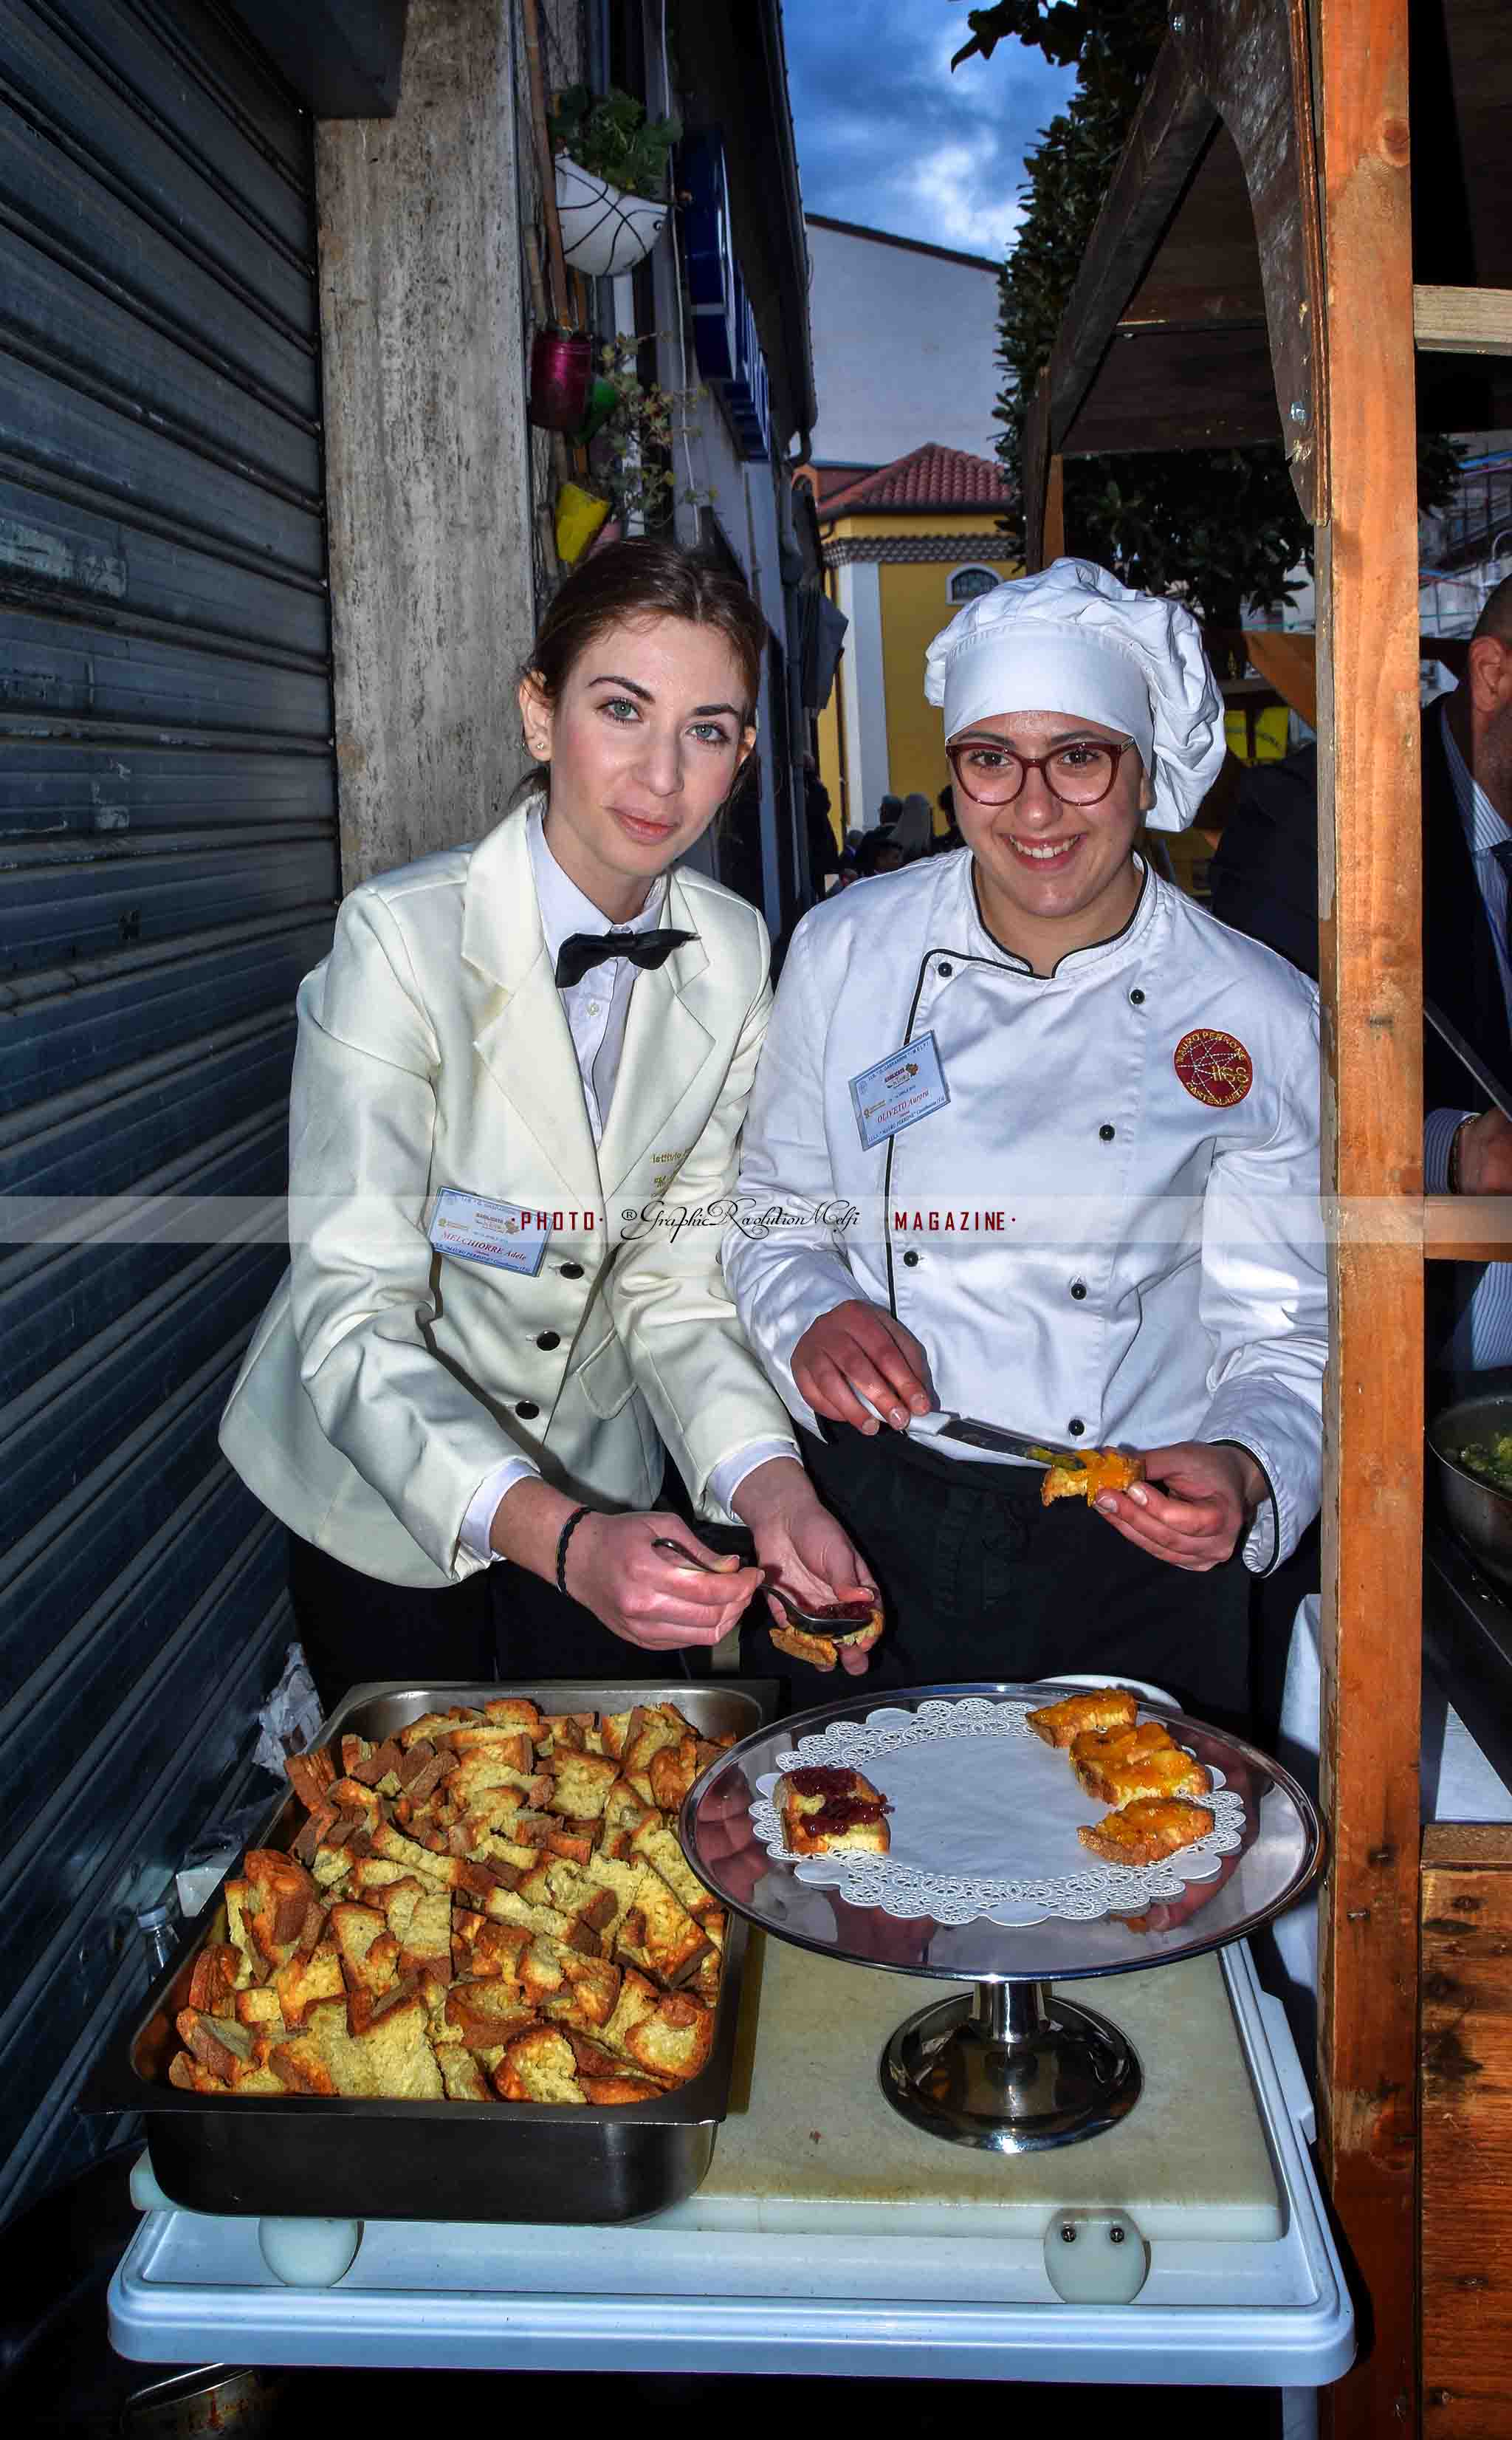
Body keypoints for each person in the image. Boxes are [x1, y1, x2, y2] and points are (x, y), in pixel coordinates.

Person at [220, 540, 875, 1710]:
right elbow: (351, 1309)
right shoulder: (397, 943)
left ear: (746, 755)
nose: (662, 775)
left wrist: (776, 1492)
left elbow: (674, 1285)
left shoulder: (731, 957)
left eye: (709, 728)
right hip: (379, 1493)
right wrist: (561, 1540)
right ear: (540, 712)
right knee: (412, 1838)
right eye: (621, 709)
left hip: (613, 1484)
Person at [722, 558, 1327, 1724]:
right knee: (864, 1871)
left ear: (1144, 771)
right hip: (874, 1515)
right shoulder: (849, 950)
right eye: (991, 761)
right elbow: (775, 1210)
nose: (1035, 810)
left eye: (1079, 758)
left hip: (1131, 1536)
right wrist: (812, 1313)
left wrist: (1246, 1468)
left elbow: (1286, 1331)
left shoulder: (1254, 1014)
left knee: (1136, 1880)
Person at [1209, 579, 1512, 1373]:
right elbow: (1246, 1096)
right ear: (1492, 675)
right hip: (1413, 1347)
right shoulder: (1318, 822)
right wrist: (1451, 1150)